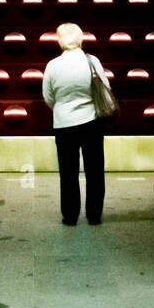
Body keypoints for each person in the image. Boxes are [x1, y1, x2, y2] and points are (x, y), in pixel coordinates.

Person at [41, 21, 110, 226]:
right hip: (92, 122)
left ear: (59, 41)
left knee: (68, 172)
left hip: (64, 124)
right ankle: (94, 215)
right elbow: (105, 88)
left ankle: (70, 216)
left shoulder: (52, 65)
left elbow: (48, 96)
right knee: (95, 170)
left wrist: (63, 109)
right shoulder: (92, 61)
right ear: (80, 39)